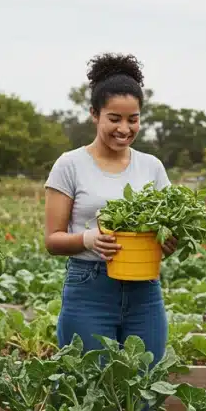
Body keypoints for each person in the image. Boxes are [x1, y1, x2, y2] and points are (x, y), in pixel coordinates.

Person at [44, 53, 175, 361]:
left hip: (145, 291)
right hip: (89, 286)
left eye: (133, 119)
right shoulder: (70, 165)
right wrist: (89, 239)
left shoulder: (152, 167)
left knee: (144, 388)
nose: (124, 129)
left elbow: (167, 228)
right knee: (90, 389)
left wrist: (166, 242)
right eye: (114, 119)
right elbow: (53, 240)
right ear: (94, 114)